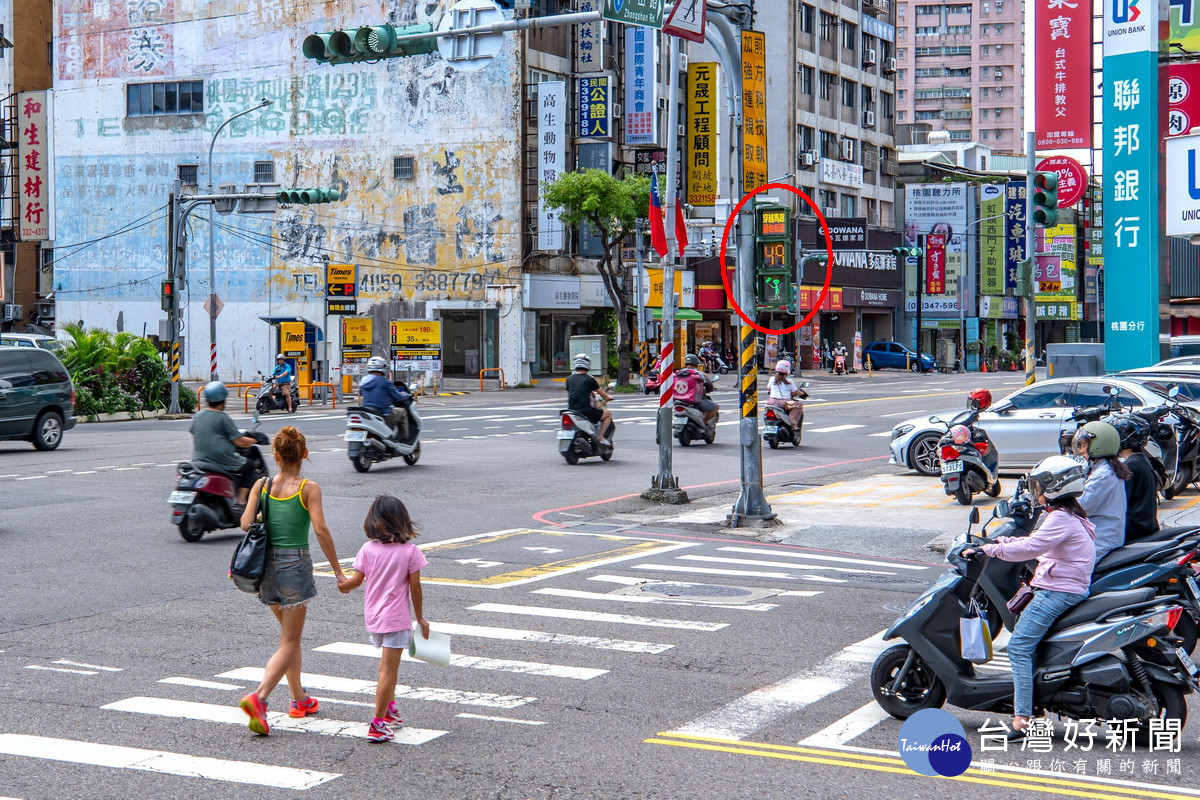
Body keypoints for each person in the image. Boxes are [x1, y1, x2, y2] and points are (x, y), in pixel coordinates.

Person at [963, 455, 1095, 739]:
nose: (1036, 492)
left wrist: (990, 551)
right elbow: (1032, 541)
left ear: (1055, 487)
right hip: (1063, 586)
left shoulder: (1060, 518)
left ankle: (1022, 719)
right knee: (1029, 644)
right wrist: (998, 541)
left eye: (1039, 486)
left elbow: (1031, 548)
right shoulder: (1069, 515)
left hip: (1058, 591)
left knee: (1019, 648)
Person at [237, 427, 347, 736]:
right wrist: (338, 572)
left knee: (289, 637)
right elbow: (321, 531)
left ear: (275, 455)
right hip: (294, 566)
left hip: (266, 569)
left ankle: (299, 699)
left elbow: (245, 523)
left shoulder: (263, 484)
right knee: (289, 640)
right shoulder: (309, 488)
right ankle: (258, 698)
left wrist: (264, 518)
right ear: (304, 454)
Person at [337, 495, 430, 743]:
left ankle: (390, 709)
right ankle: (377, 724)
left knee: (389, 667)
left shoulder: (367, 549)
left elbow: (356, 581)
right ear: (402, 522)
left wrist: (344, 585)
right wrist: (420, 618)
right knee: (388, 670)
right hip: (397, 618)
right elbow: (415, 588)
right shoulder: (410, 552)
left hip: (374, 617)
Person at [189, 381, 261, 507]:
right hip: (221, 459)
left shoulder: (198, 416)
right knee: (251, 467)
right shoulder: (222, 417)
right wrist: (256, 440)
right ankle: (241, 500)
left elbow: (196, 433)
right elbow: (240, 441)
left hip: (198, 460)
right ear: (223, 400)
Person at [1072, 420, 1132, 562]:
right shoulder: (1102, 468)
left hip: (1101, 539)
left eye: (1085, 445)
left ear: (1098, 446)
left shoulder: (1103, 475)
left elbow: (1080, 506)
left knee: (1066, 570)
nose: (1081, 450)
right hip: (1097, 534)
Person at [1110, 415, 1161, 542]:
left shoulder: (1130, 465)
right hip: (1145, 525)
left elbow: (1121, 501)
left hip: (1135, 529)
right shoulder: (1142, 460)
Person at [360, 356, 412, 442]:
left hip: (367, 412)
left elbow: (361, 393)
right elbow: (397, 397)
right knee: (402, 412)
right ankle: (405, 439)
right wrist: (406, 395)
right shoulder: (385, 382)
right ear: (382, 368)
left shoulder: (363, 381)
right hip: (383, 413)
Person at [565, 354, 613, 444]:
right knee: (608, 413)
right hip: (586, 412)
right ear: (587, 365)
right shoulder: (589, 380)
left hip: (572, 411)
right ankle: (601, 437)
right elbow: (603, 395)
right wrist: (608, 398)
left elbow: (569, 394)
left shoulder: (569, 379)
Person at [676, 354, 719, 425]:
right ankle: (703, 423)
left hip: (679, 401)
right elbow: (710, 387)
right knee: (715, 407)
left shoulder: (678, 374)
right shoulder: (700, 374)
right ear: (696, 363)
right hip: (696, 401)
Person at [765, 360, 806, 429]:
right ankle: (793, 423)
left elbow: (769, 388)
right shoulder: (789, 381)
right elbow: (795, 392)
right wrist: (803, 394)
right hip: (784, 403)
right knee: (799, 406)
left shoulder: (772, 379)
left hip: (771, 402)